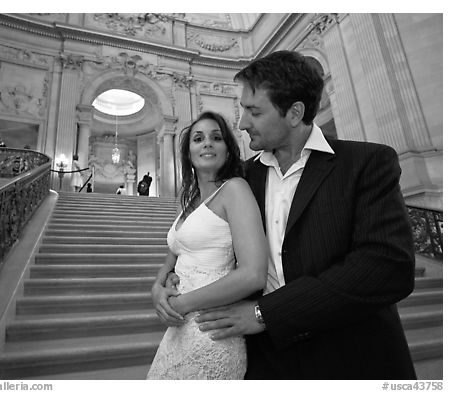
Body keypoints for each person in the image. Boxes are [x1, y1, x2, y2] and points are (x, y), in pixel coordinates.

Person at [155, 50, 416, 379]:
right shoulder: (242, 179)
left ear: (294, 113)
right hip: (264, 359)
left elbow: (386, 268)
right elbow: (199, 239)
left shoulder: (366, 163)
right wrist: (165, 280)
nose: (241, 123)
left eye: (253, 111)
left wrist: (267, 313)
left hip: (349, 355)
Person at [146, 111, 269, 379]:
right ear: (188, 152)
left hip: (210, 328)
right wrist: (157, 290)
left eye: (217, 137)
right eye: (198, 138)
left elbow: (252, 275)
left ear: (228, 149)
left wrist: (180, 305)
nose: (207, 143)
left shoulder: (235, 189)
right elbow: (171, 261)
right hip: (179, 328)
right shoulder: (188, 204)